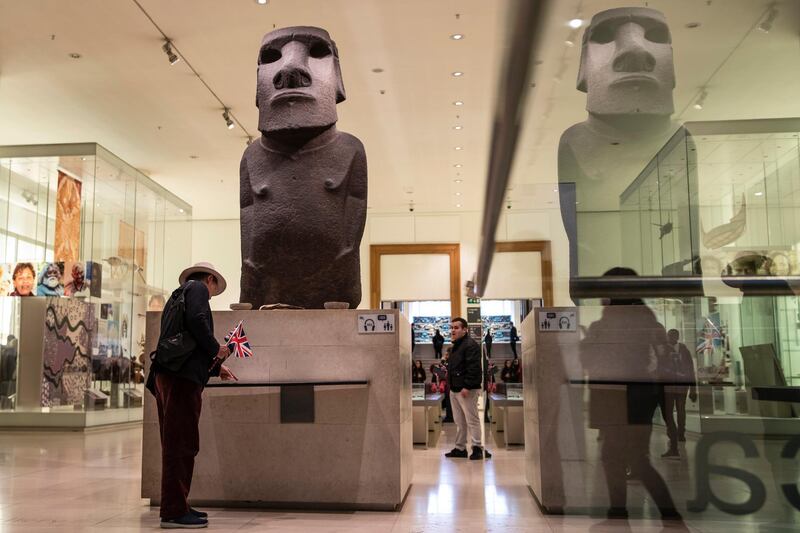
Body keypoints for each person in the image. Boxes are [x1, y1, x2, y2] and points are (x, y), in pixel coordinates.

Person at [580, 267, 679, 521]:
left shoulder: (611, 323)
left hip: (620, 400)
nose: (600, 296)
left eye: (604, 290)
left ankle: (632, 511)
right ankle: (637, 511)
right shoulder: (646, 320)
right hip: (637, 400)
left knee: (624, 458)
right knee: (632, 458)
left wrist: (586, 341)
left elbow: (592, 360)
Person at [146, 262, 238, 529]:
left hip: (170, 375)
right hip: (180, 380)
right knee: (181, 444)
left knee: (177, 443)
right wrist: (216, 350)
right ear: (209, 279)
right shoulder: (196, 288)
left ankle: (178, 504)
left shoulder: (180, 294)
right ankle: (174, 511)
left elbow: (187, 342)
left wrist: (217, 368)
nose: (211, 294)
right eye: (214, 288)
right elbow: (198, 323)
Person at [445, 317, 491, 460]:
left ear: (465, 330)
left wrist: (467, 386)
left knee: (472, 420)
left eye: (456, 327)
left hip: (466, 390)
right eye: (452, 327)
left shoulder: (470, 345)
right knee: (459, 421)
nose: (453, 330)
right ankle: (460, 448)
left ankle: (477, 448)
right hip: (455, 389)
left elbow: (474, 368)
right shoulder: (455, 346)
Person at [658, 329, 698, 458]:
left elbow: (690, 369)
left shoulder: (681, 350)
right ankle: (677, 434)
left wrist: (692, 388)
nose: (671, 338)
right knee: (673, 411)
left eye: (672, 336)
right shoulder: (674, 350)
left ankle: (679, 433)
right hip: (673, 385)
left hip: (677, 385)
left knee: (675, 411)